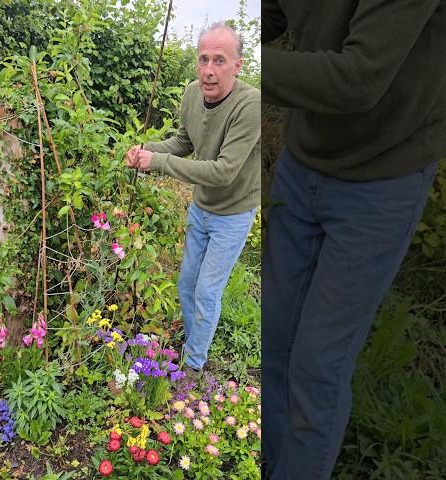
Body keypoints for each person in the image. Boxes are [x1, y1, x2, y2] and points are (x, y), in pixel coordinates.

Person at [261, 1, 446, 478]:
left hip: (383, 175)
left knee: (318, 366)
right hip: (305, 159)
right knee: (273, 339)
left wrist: (226, 63)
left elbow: (358, 78)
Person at [125, 22, 261, 377]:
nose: (209, 70)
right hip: (201, 208)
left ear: (237, 65)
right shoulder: (191, 94)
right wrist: (146, 152)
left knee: (206, 291)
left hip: (233, 212)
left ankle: (195, 365)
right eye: (203, 59)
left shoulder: (251, 106)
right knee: (186, 283)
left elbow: (224, 171)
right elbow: (182, 143)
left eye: (219, 60)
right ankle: (192, 343)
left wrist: (160, 164)